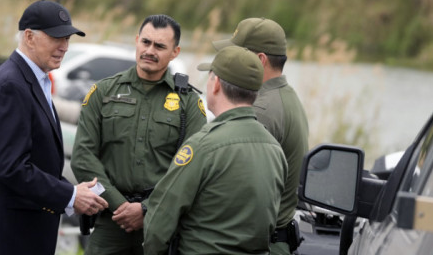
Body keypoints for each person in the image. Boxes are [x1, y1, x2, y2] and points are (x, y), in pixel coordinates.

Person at [0, 0, 108, 255]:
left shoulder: (31, 81)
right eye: (56, 38)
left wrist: (74, 194)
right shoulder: (11, 86)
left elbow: (36, 162)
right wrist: (69, 196)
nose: (64, 47)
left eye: (67, 39)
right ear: (29, 37)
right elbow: (12, 167)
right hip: (4, 240)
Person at [71, 14, 207, 255]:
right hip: (111, 219)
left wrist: (146, 209)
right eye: (146, 42)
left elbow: (193, 170)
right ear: (136, 40)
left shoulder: (189, 103)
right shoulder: (103, 92)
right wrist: (120, 205)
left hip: (161, 224)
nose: (150, 51)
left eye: (160, 46)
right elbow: (83, 157)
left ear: (175, 52)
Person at [143, 45, 287, 255]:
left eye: (210, 77)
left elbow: (159, 220)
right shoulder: (274, 149)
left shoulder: (203, 146)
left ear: (216, 84)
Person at [213, 17, 309, 254]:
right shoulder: (286, 97)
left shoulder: (260, 111)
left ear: (259, 60)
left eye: (236, 54)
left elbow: (236, 193)